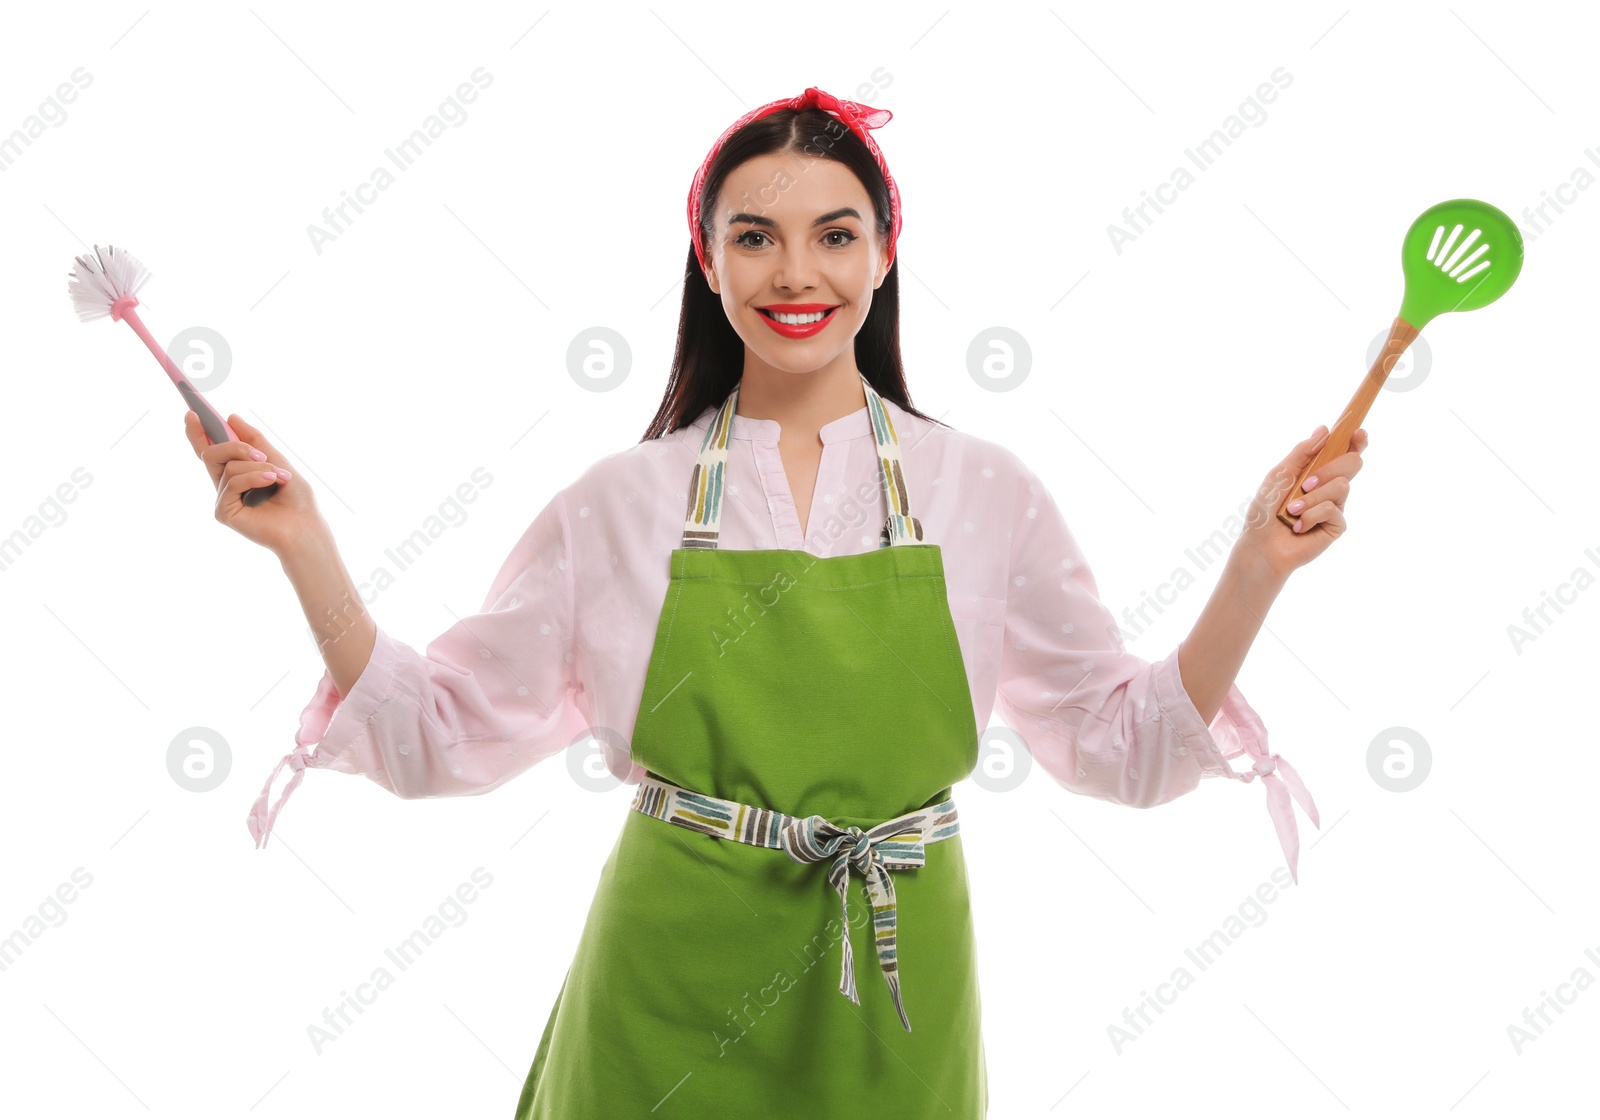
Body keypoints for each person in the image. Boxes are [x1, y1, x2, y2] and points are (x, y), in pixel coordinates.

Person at [187, 86, 1365, 1118]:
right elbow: (434, 734)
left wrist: (1256, 566)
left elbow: (1125, 746)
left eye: (833, 235)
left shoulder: (983, 491)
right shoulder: (621, 502)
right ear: (706, 261)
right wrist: (305, 545)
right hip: (664, 995)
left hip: (898, 1007)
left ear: (886, 251)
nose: (795, 274)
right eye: (755, 237)